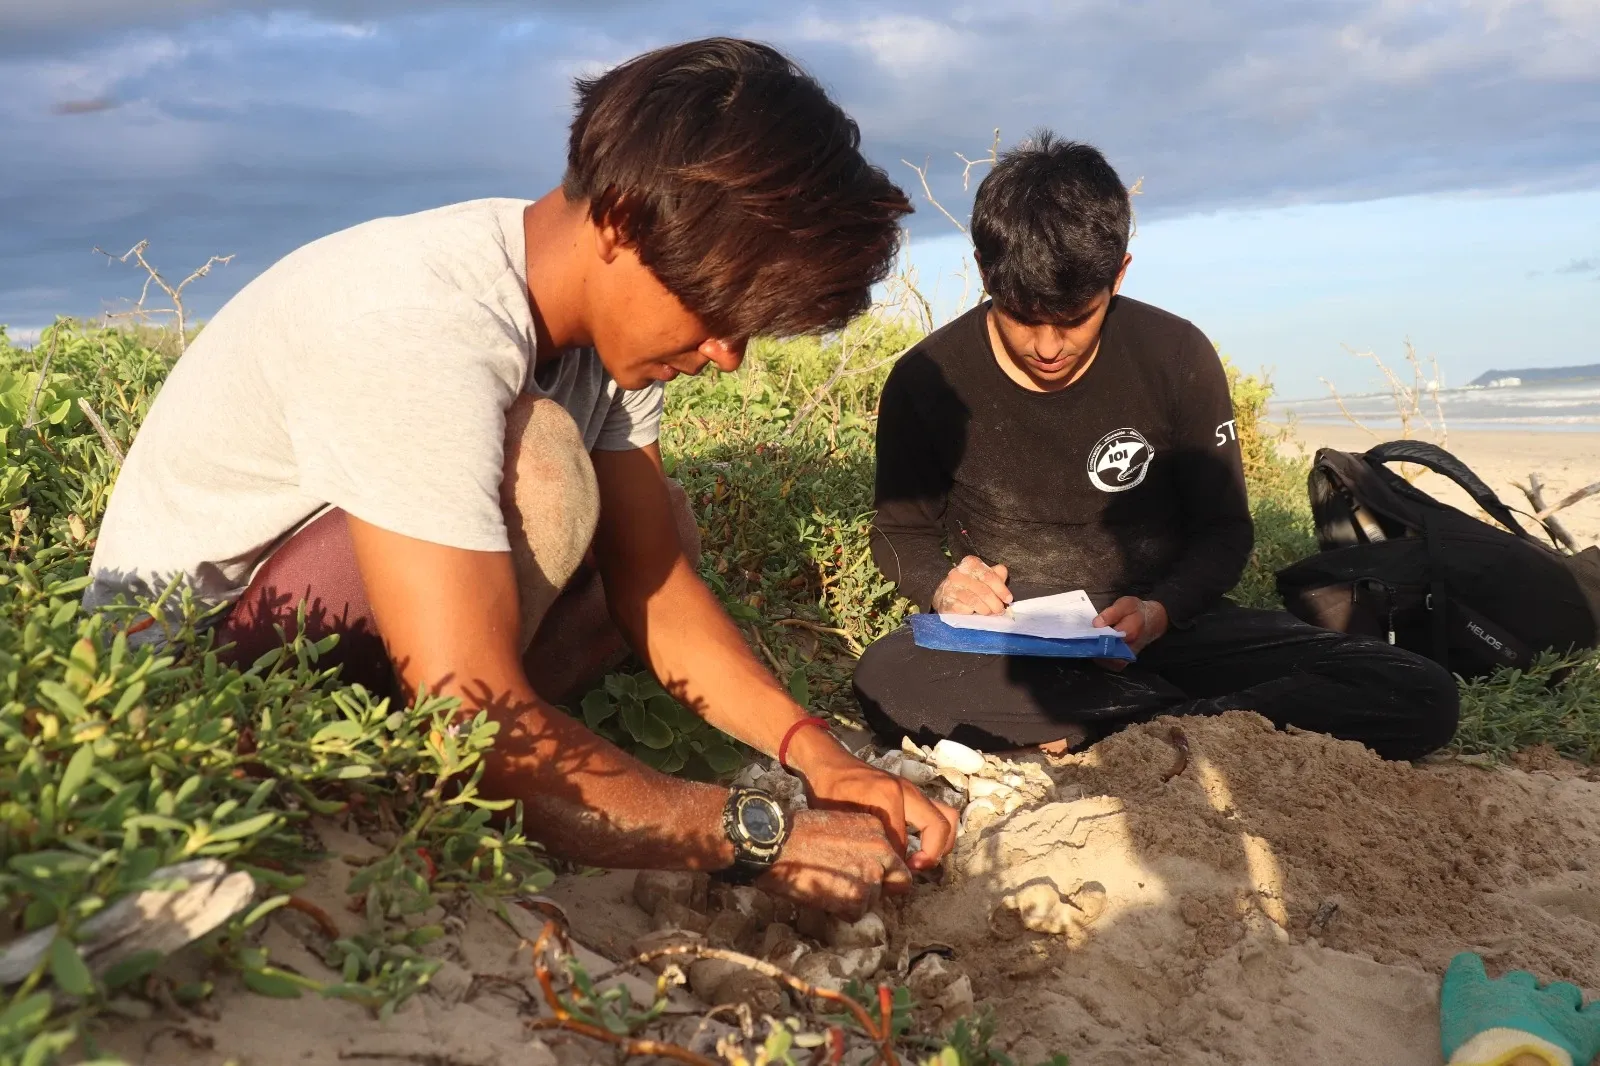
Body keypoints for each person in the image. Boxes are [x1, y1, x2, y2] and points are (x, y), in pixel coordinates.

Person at [85, 38, 956, 918]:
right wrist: (753, 834)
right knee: (543, 464)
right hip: (192, 695)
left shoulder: (617, 335)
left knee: (658, 526)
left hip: (382, 670)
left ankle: (480, 775)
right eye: (717, 311)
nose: (727, 355)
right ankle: (451, 785)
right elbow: (464, 709)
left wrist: (819, 755)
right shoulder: (419, 320)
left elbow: (654, 585)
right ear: (620, 221)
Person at [853, 132, 1460, 762]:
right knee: (885, 679)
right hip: (1013, 646)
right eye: (1023, 316)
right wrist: (943, 586)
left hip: (1162, 633)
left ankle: (1135, 717)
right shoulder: (927, 380)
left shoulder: (1177, 356)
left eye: (1075, 318)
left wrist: (1162, 610)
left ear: (1118, 273)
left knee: (1417, 690)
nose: (1048, 346)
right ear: (985, 272)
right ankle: (1189, 721)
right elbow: (900, 533)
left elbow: (1225, 533)